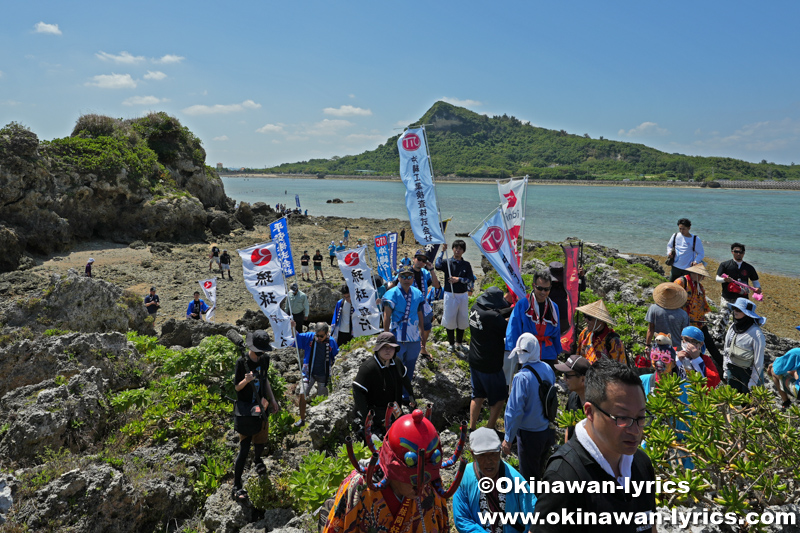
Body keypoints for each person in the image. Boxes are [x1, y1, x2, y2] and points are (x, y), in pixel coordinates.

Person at [533, 359, 657, 533]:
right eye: (622, 418)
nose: (635, 430)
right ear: (590, 412)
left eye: (641, 417)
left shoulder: (642, 464)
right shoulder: (565, 476)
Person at [322, 408, 452, 533]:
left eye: (425, 480)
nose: (421, 487)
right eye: (414, 481)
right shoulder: (360, 488)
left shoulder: (431, 487)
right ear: (394, 470)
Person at [453, 427, 536, 532]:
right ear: (473, 454)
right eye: (482, 455)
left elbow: (533, 518)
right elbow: (461, 518)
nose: (489, 461)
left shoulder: (516, 480)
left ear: (500, 452)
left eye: (493, 454)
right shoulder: (465, 476)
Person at [232, 330, 279, 503]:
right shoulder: (241, 362)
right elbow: (237, 387)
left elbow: (265, 380)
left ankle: (258, 460)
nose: (263, 354)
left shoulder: (265, 360)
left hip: (262, 408)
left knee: (261, 439)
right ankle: (236, 485)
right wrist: (247, 380)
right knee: (244, 448)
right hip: (246, 411)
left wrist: (273, 400)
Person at [502, 333, 556, 481]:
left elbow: (514, 411)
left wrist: (508, 438)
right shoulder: (547, 368)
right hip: (546, 429)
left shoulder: (521, 377)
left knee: (529, 477)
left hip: (528, 434)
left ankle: (533, 503)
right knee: (542, 472)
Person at [352, 332, 416, 438]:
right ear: (378, 348)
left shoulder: (397, 362)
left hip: (395, 410)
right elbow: (357, 391)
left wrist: (411, 396)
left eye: (391, 347)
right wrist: (367, 417)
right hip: (376, 413)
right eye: (384, 347)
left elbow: (405, 379)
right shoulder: (368, 368)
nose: (388, 350)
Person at [467, 287, 513, 431]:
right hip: (490, 364)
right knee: (499, 398)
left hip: (474, 360)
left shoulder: (475, 308)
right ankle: (490, 429)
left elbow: (497, 313)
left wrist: (510, 309)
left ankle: (472, 428)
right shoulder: (493, 318)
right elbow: (509, 329)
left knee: (478, 395)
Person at [505, 270, 562, 377]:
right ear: (533, 286)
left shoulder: (554, 307)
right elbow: (514, 328)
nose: (543, 292)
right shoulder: (523, 304)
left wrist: (557, 353)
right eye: (540, 288)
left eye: (547, 289)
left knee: (546, 384)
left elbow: (556, 332)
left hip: (547, 352)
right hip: (527, 352)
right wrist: (514, 352)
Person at [382, 264, 425, 402]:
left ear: (413, 278)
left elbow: (420, 313)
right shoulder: (391, 293)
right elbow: (386, 316)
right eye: (403, 276)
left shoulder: (417, 293)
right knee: (395, 367)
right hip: (397, 337)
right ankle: (394, 394)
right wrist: (386, 337)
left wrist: (422, 333)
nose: (407, 279)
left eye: (409, 276)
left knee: (410, 367)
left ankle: (406, 395)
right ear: (398, 277)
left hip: (413, 337)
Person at [674, 263, 722, 371]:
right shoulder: (681, 282)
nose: (703, 278)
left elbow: (702, 304)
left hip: (699, 322)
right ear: (693, 273)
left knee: (709, 345)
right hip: (686, 323)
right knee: (688, 348)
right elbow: (674, 299)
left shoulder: (700, 286)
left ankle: (722, 368)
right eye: (701, 275)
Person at [295, 322, 339, 427]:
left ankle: (321, 421)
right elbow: (296, 337)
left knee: (322, 399)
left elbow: (337, 356)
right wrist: (293, 327)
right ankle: (302, 419)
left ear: (327, 333)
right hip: (308, 373)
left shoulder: (331, 342)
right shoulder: (310, 337)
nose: (319, 338)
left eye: (321, 336)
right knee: (302, 393)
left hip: (323, 375)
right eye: (317, 335)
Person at [435, 240, 475, 352]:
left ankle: (459, 343)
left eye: (460, 249)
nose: (457, 250)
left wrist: (459, 279)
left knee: (462, 319)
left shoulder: (466, 264)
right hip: (450, 294)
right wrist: (442, 252)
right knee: (450, 318)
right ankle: (451, 343)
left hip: (462, 295)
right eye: (455, 248)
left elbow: (470, 280)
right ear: (452, 249)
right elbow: (437, 265)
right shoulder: (448, 262)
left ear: (463, 251)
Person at [723, 297, 766, 394]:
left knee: (747, 403)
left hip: (747, 373)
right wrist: (726, 370)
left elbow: (758, 360)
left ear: (747, 314)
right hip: (732, 368)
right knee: (732, 398)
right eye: (734, 308)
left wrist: (753, 381)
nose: (735, 312)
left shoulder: (756, 334)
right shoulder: (732, 327)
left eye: (739, 310)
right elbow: (726, 350)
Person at [716, 243, 762, 324]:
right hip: (727, 297)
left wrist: (758, 288)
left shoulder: (749, 267)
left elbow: (755, 281)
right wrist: (725, 280)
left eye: (741, 252)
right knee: (722, 319)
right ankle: (718, 336)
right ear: (732, 252)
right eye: (736, 251)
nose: (738, 254)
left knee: (740, 321)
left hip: (742, 299)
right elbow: (717, 278)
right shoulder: (725, 265)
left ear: (744, 253)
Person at [408, 249, 441, 357]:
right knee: (410, 329)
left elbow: (436, 285)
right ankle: (409, 351)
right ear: (414, 259)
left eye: (423, 260)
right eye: (419, 259)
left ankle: (422, 348)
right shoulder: (406, 273)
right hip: (410, 306)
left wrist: (431, 269)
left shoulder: (425, 273)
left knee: (427, 327)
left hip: (423, 305)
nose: (421, 262)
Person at [574, 300, 626, 365]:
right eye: (585, 316)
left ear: (600, 321)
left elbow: (620, 369)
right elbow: (578, 358)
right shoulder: (585, 333)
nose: (586, 320)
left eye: (589, 318)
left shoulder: (614, 341)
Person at [554, 355, 590, 442]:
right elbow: (568, 428)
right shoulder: (573, 396)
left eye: (568, 375)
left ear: (583, 379)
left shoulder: (597, 405)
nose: (564, 378)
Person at [645, 283, 689, 351]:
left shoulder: (653, 309)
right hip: (676, 348)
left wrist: (647, 345)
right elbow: (685, 335)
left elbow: (650, 329)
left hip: (658, 347)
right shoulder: (683, 314)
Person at [547, 261, 586, 337]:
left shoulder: (566, 282)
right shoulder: (546, 282)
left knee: (563, 337)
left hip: (562, 315)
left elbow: (581, 288)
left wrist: (581, 276)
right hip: (547, 314)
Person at [768, 345, 800, 409]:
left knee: (773, 370)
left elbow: (777, 369)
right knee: (793, 371)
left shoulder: (797, 352)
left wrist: (770, 366)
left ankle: (786, 402)